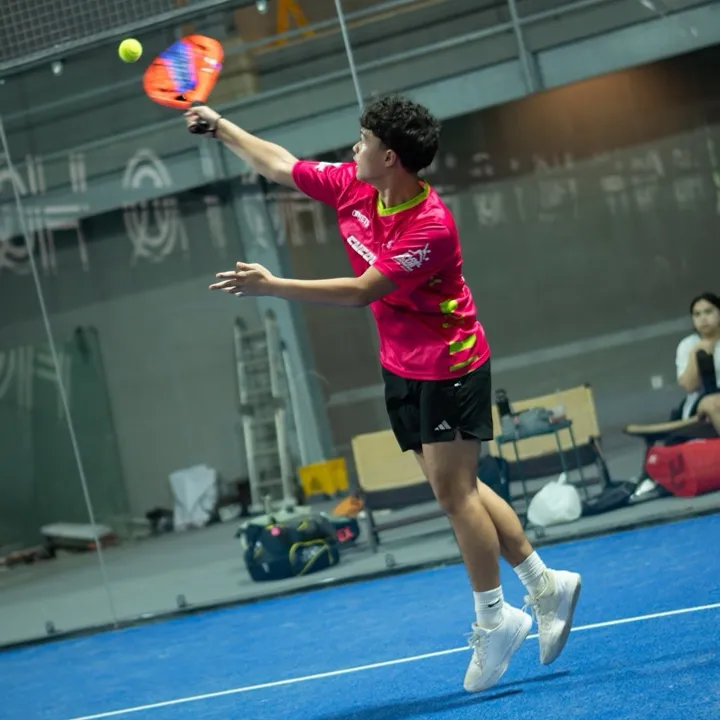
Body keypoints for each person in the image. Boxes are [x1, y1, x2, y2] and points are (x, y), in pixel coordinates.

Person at [186, 95, 581, 692]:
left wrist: (272, 285)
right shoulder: (354, 185)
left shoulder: (429, 226)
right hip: (401, 364)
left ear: (390, 156)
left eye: (364, 139)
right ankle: (545, 585)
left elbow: (361, 291)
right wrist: (220, 127)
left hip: (449, 365)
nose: (354, 147)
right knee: (462, 490)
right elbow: (279, 164)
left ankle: (496, 619)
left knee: (456, 496)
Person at [675, 292, 720, 432]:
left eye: (708, 312)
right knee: (713, 403)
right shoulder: (687, 345)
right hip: (700, 403)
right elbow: (689, 386)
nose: (703, 319)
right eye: (697, 314)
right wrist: (696, 353)